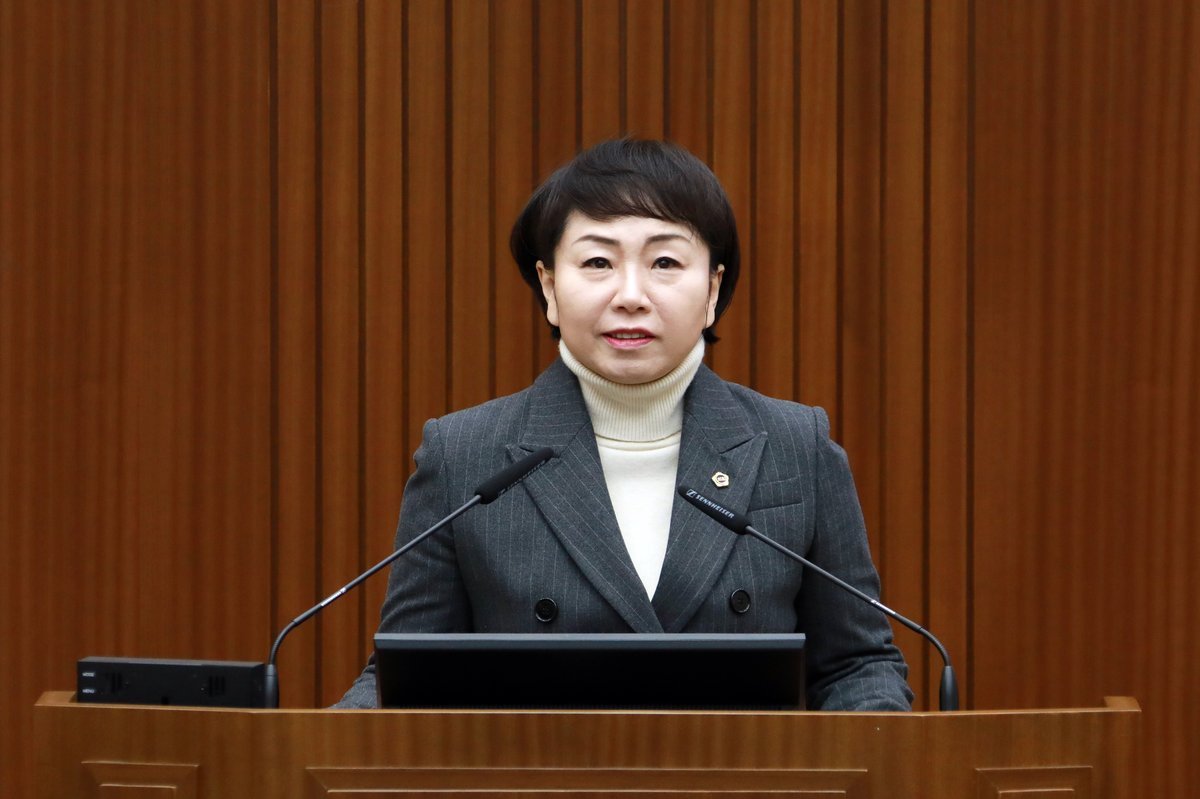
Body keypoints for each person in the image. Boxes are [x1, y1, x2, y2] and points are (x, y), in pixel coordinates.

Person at [336, 139, 912, 710]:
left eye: (665, 263)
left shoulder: (796, 446)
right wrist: (330, 742)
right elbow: (405, 677)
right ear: (549, 286)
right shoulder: (465, 455)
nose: (631, 296)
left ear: (712, 289)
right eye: (597, 263)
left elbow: (857, 666)